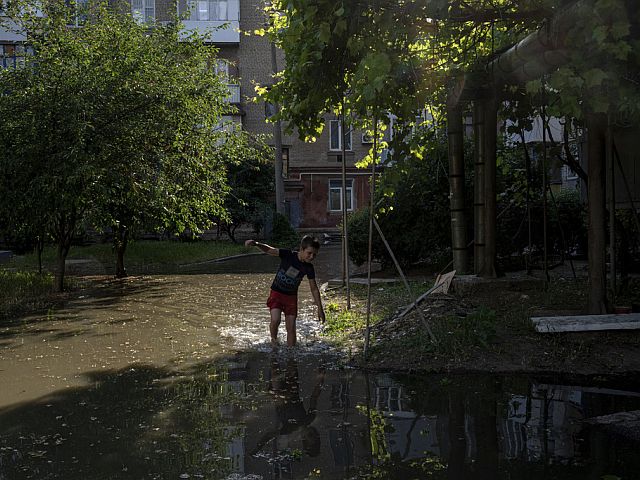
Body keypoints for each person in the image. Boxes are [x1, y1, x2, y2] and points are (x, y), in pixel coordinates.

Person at [244, 235, 325, 346]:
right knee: (276, 320)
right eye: (309, 253)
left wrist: (320, 309)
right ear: (301, 249)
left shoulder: (309, 268)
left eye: (314, 255)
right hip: (277, 293)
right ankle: (273, 340)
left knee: (291, 327)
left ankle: (291, 354)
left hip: (291, 298)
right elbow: (270, 250)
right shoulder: (288, 255)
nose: (311, 257)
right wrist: (257, 244)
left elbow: (314, 289)